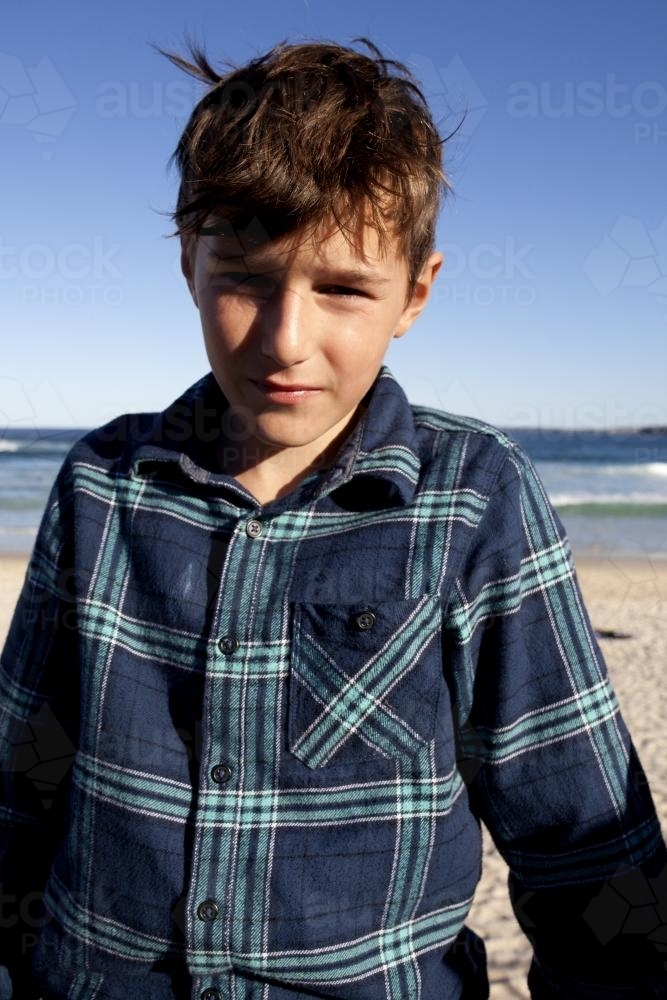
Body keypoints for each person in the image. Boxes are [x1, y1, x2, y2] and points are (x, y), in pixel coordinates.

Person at [1, 37, 666, 1000]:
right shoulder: (103, 485)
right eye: (245, 278)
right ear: (188, 261)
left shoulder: (474, 500)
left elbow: (584, 844)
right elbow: (23, 782)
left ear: (414, 294)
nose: (285, 339)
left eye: (344, 290)